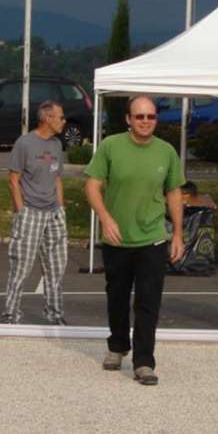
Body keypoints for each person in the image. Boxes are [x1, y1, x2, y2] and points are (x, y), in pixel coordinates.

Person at [84, 96, 185, 386]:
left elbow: (174, 192)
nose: (145, 122)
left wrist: (177, 233)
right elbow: (92, 185)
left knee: (148, 302)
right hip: (117, 239)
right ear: (128, 119)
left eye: (150, 117)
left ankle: (143, 362)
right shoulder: (111, 146)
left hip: (152, 238)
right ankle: (117, 347)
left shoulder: (166, 152)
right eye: (139, 116)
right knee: (116, 297)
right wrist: (105, 217)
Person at [4, 100, 68, 326]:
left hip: (54, 212)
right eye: (60, 117)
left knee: (56, 266)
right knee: (21, 266)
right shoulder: (25, 143)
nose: (63, 121)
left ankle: (55, 314)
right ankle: (12, 314)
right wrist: (21, 211)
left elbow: (57, 178)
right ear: (47, 118)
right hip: (30, 211)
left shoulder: (57, 145)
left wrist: (61, 208)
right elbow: (13, 180)